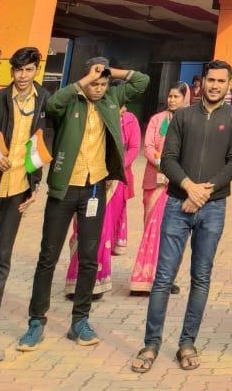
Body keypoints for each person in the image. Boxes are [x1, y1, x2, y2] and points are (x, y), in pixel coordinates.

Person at [17, 58, 149, 352]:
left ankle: (80, 321)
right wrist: (85, 80)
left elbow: (142, 81)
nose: (99, 89)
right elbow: (51, 106)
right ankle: (36, 321)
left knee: (89, 258)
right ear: (85, 80)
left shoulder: (112, 97)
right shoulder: (71, 100)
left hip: (94, 189)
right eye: (94, 84)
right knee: (48, 256)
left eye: (103, 84)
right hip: (64, 189)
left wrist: (110, 72)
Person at [132, 59, 232, 374]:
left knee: (201, 277)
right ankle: (150, 344)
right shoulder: (183, 116)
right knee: (163, 278)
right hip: (176, 204)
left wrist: (203, 192)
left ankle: (187, 343)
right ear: (201, 82)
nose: (215, 86)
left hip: (213, 207)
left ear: (229, 85)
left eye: (221, 81)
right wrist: (188, 187)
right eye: (211, 80)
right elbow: (168, 158)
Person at [0, 46, 48, 362]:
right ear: (11, 71)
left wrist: (34, 185)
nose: (23, 76)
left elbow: (41, 142)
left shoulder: (44, 100)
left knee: (0, 263)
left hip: (18, 192)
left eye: (28, 70)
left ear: (36, 70)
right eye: (18, 70)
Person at [64, 102, 141, 296]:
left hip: (115, 182)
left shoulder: (129, 120)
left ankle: (97, 281)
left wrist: (115, 167)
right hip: (88, 178)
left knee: (104, 230)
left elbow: (133, 148)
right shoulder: (95, 115)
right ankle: (75, 281)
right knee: (83, 229)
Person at [129, 83, 189, 294]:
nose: (172, 100)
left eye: (176, 97)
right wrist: (164, 164)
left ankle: (165, 278)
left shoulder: (189, 121)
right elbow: (148, 147)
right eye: (170, 96)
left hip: (176, 185)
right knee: (151, 230)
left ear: (185, 99)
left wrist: (175, 171)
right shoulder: (157, 120)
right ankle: (143, 278)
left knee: (171, 232)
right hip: (154, 181)